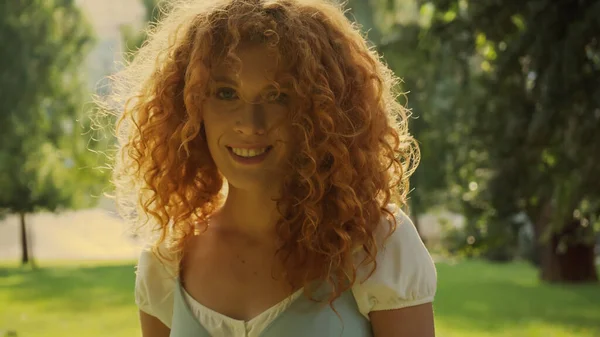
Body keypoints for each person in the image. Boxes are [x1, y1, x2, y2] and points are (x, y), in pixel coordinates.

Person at [107, 0, 437, 336]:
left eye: (278, 95)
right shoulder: (167, 262)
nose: (250, 124)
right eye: (225, 93)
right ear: (189, 107)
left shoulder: (376, 246)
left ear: (321, 112)